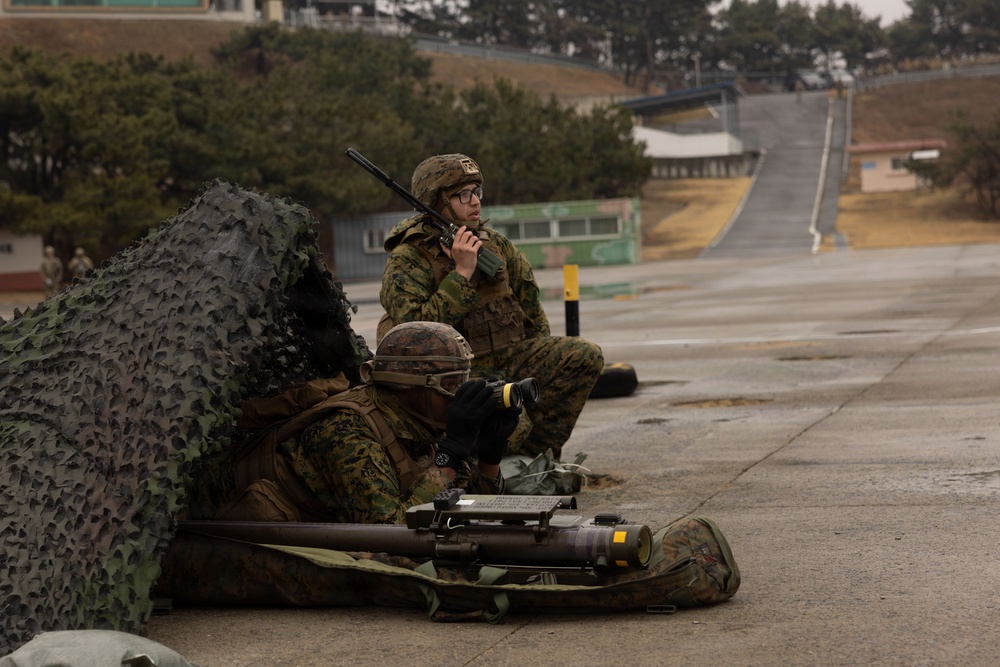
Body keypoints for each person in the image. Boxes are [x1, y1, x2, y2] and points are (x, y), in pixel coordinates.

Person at [379, 153, 604, 461]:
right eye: (464, 195)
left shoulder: (494, 244)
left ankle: (537, 463)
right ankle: (482, 468)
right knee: (514, 424)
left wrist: (535, 378)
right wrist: (461, 273)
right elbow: (413, 335)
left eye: (477, 192)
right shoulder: (408, 259)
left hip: (508, 357)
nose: (476, 202)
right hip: (456, 375)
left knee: (583, 355)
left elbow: (532, 314)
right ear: (436, 202)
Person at [188, 321, 519, 524]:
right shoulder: (346, 431)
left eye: (464, 380)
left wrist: (489, 458)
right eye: (450, 385)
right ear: (409, 388)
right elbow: (390, 534)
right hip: (208, 515)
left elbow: (472, 511)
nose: (460, 395)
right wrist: (450, 455)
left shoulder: (416, 424)